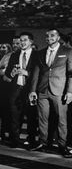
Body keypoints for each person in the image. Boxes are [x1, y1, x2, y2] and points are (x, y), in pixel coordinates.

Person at [29, 29, 72, 158]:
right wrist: (32, 90)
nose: (49, 38)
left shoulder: (68, 51)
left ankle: (62, 146)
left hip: (59, 90)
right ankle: (43, 143)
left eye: (52, 35)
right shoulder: (40, 53)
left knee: (61, 119)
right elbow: (35, 74)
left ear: (58, 37)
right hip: (42, 91)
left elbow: (71, 74)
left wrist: (70, 91)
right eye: (47, 36)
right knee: (42, 118)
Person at [2, 33, 37, 148]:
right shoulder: (14, 55)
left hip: (30, 89)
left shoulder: (37, 55)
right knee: (14, 116)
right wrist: (11, 73)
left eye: (25, 40)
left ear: (31, 41)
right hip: (16, 88)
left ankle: (31, 141)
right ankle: (15, 140)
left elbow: (41, 73)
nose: (22, 42)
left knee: (31, 117)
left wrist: (27, 73)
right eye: (21, 40)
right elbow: (7, 73)